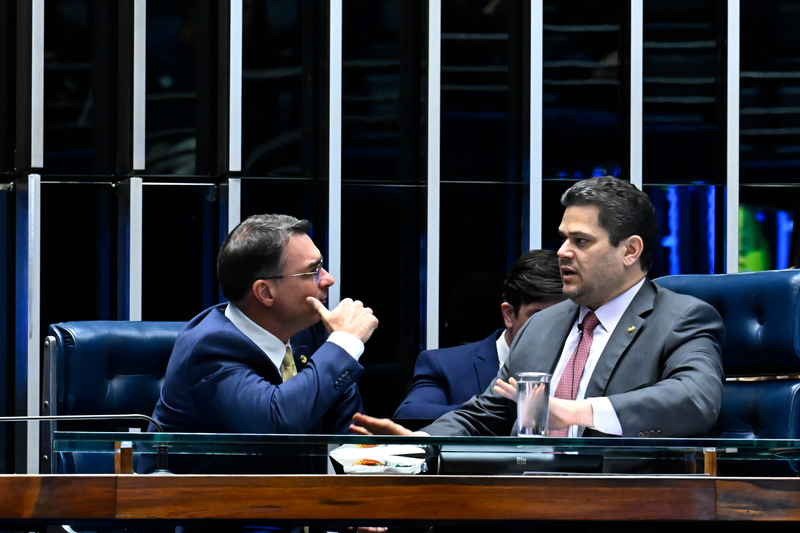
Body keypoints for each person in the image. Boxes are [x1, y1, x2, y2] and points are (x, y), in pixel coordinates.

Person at [352, 176, 724, 439]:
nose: (563, 252)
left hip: (622, 504)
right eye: (563, 239)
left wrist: (577, 411)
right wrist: (421, 443)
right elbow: (488, 413)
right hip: (524, 499)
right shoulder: (542, 325)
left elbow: (695, 398)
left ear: (630, 250)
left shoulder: (681, 318)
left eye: (581, 241)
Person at [143, 214, 379, 474]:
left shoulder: (301, 331)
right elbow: (274, 427)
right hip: (201, 498)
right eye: (312, 272)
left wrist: (375, 470)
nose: (328, 279)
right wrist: (344, 344)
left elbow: (349, 431)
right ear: (265, 292)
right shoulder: (210, 347)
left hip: (291, 495)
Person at [394, 249, 565, 419]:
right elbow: (410, 415)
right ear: (509, 314)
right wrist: (502, 411)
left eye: (562, 318)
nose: (552, 328)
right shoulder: (446, 365)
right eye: (539, 317)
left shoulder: (580, 365)